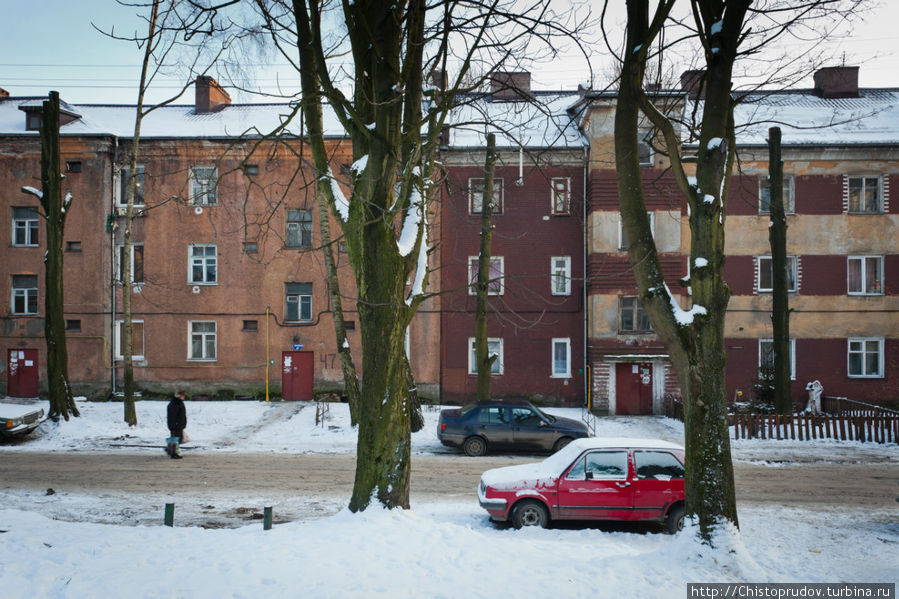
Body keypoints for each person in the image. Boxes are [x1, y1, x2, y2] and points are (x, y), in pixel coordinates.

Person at [166, 390, 187, 459]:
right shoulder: (174, 404)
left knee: (178, 439)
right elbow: (172, 416)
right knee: (176, 439)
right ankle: (173, 453)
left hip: (179, 425)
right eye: (183, 395)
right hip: (175, 425)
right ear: (179, 396)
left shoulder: (179, 403)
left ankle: (170, 450)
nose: (184, 397)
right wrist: (173, 426)